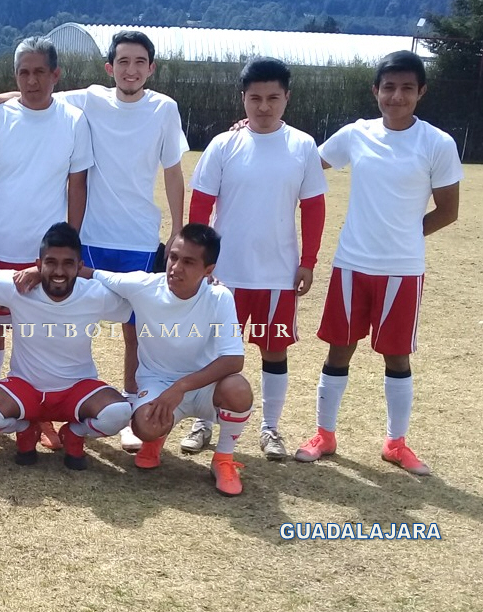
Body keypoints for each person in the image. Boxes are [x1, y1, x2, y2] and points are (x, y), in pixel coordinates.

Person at [0, 30, 187, 453]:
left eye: (139, 62)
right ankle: (18, 408)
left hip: (133, 239)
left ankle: (128, 408)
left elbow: (170, 172)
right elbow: (32, 91)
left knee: (131, 330)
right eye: (122, 62)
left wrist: (178, 229)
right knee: (20, 324)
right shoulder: (88, 99)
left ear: (151, 67)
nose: (130, 70)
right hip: (66, 240)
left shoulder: (159, 109)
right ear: (110, 67)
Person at [295, 51, 462, 476]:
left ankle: (395, 443)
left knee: (396, 356)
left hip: (402, 270)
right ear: (375, 91)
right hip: (351, 265)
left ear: (421, 92)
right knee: (339, 350)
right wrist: (252, 129)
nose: (397, 96)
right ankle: (324, 435)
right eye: (389, 87)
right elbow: (304, 161)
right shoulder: (356, 134)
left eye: (407, 88)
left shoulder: (438, 143)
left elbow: (448, 211)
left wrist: (405, 236)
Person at [179, 57, 327, 460]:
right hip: (224, 275)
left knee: (274, 351)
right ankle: (203, 423)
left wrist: (308, 261)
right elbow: (201, 204)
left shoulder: (302, 146)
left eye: (273, 98)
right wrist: (198, 263)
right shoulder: (224, 144)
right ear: (243, 98)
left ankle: (270, 428)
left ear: (287, 98)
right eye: (255, 98)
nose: (264, 106)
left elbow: (313, 207)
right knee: (213, 351)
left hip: (278, 275)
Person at [0, 36, 94, 447]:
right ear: (14, 75)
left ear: (56, 74)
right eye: (23, 72)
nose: (31, 81)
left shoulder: (74, 120)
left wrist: (68, 251)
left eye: (39, 72)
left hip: (47, 257)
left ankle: (43, 417)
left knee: (41, 338)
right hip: (0, 248)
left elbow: (77, 187)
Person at [0, 222, 133, 470]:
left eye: (68, 263)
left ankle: (75, 433)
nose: (59, 271)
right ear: (38, 264)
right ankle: (26, 428)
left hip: (77, 389)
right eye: (51, 263)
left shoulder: (95, 294)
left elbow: (135, 298)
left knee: (119, 413)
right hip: (26, 388)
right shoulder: (18, 286)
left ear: (80, 266)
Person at [95, 224, 254, 496]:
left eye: (188, 262)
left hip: (202, 387)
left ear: (208, 270)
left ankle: (223, 459)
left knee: (238, 390)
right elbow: (92, 274)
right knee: (144, 426)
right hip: (157, 384)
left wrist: (180, 387)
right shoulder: (144, 285)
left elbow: (233, 360)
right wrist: (38, 272)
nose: (176, 267)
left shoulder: (219, 296)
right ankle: (155, 439)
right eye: (173, 257)